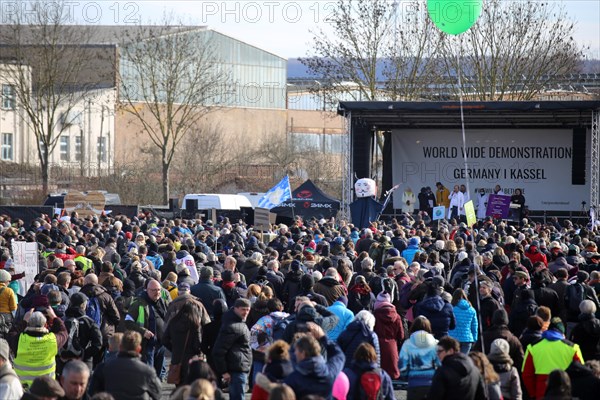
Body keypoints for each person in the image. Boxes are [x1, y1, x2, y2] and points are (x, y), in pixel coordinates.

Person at [522, 317, 584, 399]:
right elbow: (582, 373)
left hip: (541, 393)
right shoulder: (573, 348)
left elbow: (526, 374)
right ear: (563, 333)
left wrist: (533, 394)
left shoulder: (532, 347)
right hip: (565, 393)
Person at [88, 330, 162, 400]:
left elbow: (91, 393)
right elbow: (158, 394)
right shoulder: (147, 371)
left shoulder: (102, 368)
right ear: (138, 349)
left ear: (120, 347)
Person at [284, 321, 345, 399]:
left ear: (302, 353)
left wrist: (300, 338)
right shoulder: (329, 373)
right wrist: (323, 337)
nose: (295, 353)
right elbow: (339, 355)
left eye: (296, 350)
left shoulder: (293, 378)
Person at [123, 279, 169, 379]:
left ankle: (156, 393)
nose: (157, 292)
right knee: (149, 375)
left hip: (161, 345)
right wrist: (143, 331)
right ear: (147, 290)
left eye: (158, 290)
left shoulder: (162, 302)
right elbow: (128, 322)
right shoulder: (138, 303)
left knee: (159, 375)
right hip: (148, 345)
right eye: (154, 290)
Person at [12, 309, 67, 388]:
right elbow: (64, 332)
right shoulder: (52, 340)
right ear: (45, 325)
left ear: (28, 324)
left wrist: (24, 321)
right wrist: (54, 317)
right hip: (46, 388)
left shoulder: (19, 340)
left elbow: (12, 332)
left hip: (23, 389)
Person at [212, 298, 252, 400]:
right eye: (243, 309)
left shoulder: (238, 322)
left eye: (248, 310)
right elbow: (218, 350)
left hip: (240, 368)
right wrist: (224, 371)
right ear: (236, 309)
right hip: (236, 369)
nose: (246, 312)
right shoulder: (232, 326)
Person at [163, 301, 209, 385]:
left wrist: (173, 348)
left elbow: (165, 339)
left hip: (176, 358)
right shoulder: (195, 324)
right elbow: (197, 344)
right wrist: (199, 353)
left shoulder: (173, 322)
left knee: (178, 382)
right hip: (191, 359)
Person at [399, 316, 440, 400]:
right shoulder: (436, 344)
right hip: (432, 384)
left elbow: (402, 365)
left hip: (414, 384)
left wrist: (407, 376)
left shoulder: (408, 344)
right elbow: (440, 364)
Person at [373, 292, 404, 379]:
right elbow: (401, 335)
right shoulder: (397, 316)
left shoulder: (375, 315)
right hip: (392, 346)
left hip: (378, 346)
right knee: (392, 373)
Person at [448, 288, 478, 354]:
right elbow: (474, 325)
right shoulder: (472, 309)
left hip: (453, 337)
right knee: (463, 360)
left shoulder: (451, 308)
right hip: (467, 338)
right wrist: (475, 338)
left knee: (453, 359)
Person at [0, 270, 16, 337]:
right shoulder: (9, 291)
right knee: (6, 335)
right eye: (9, 281)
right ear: (5, 280)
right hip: (6, 317)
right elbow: (13, 308)